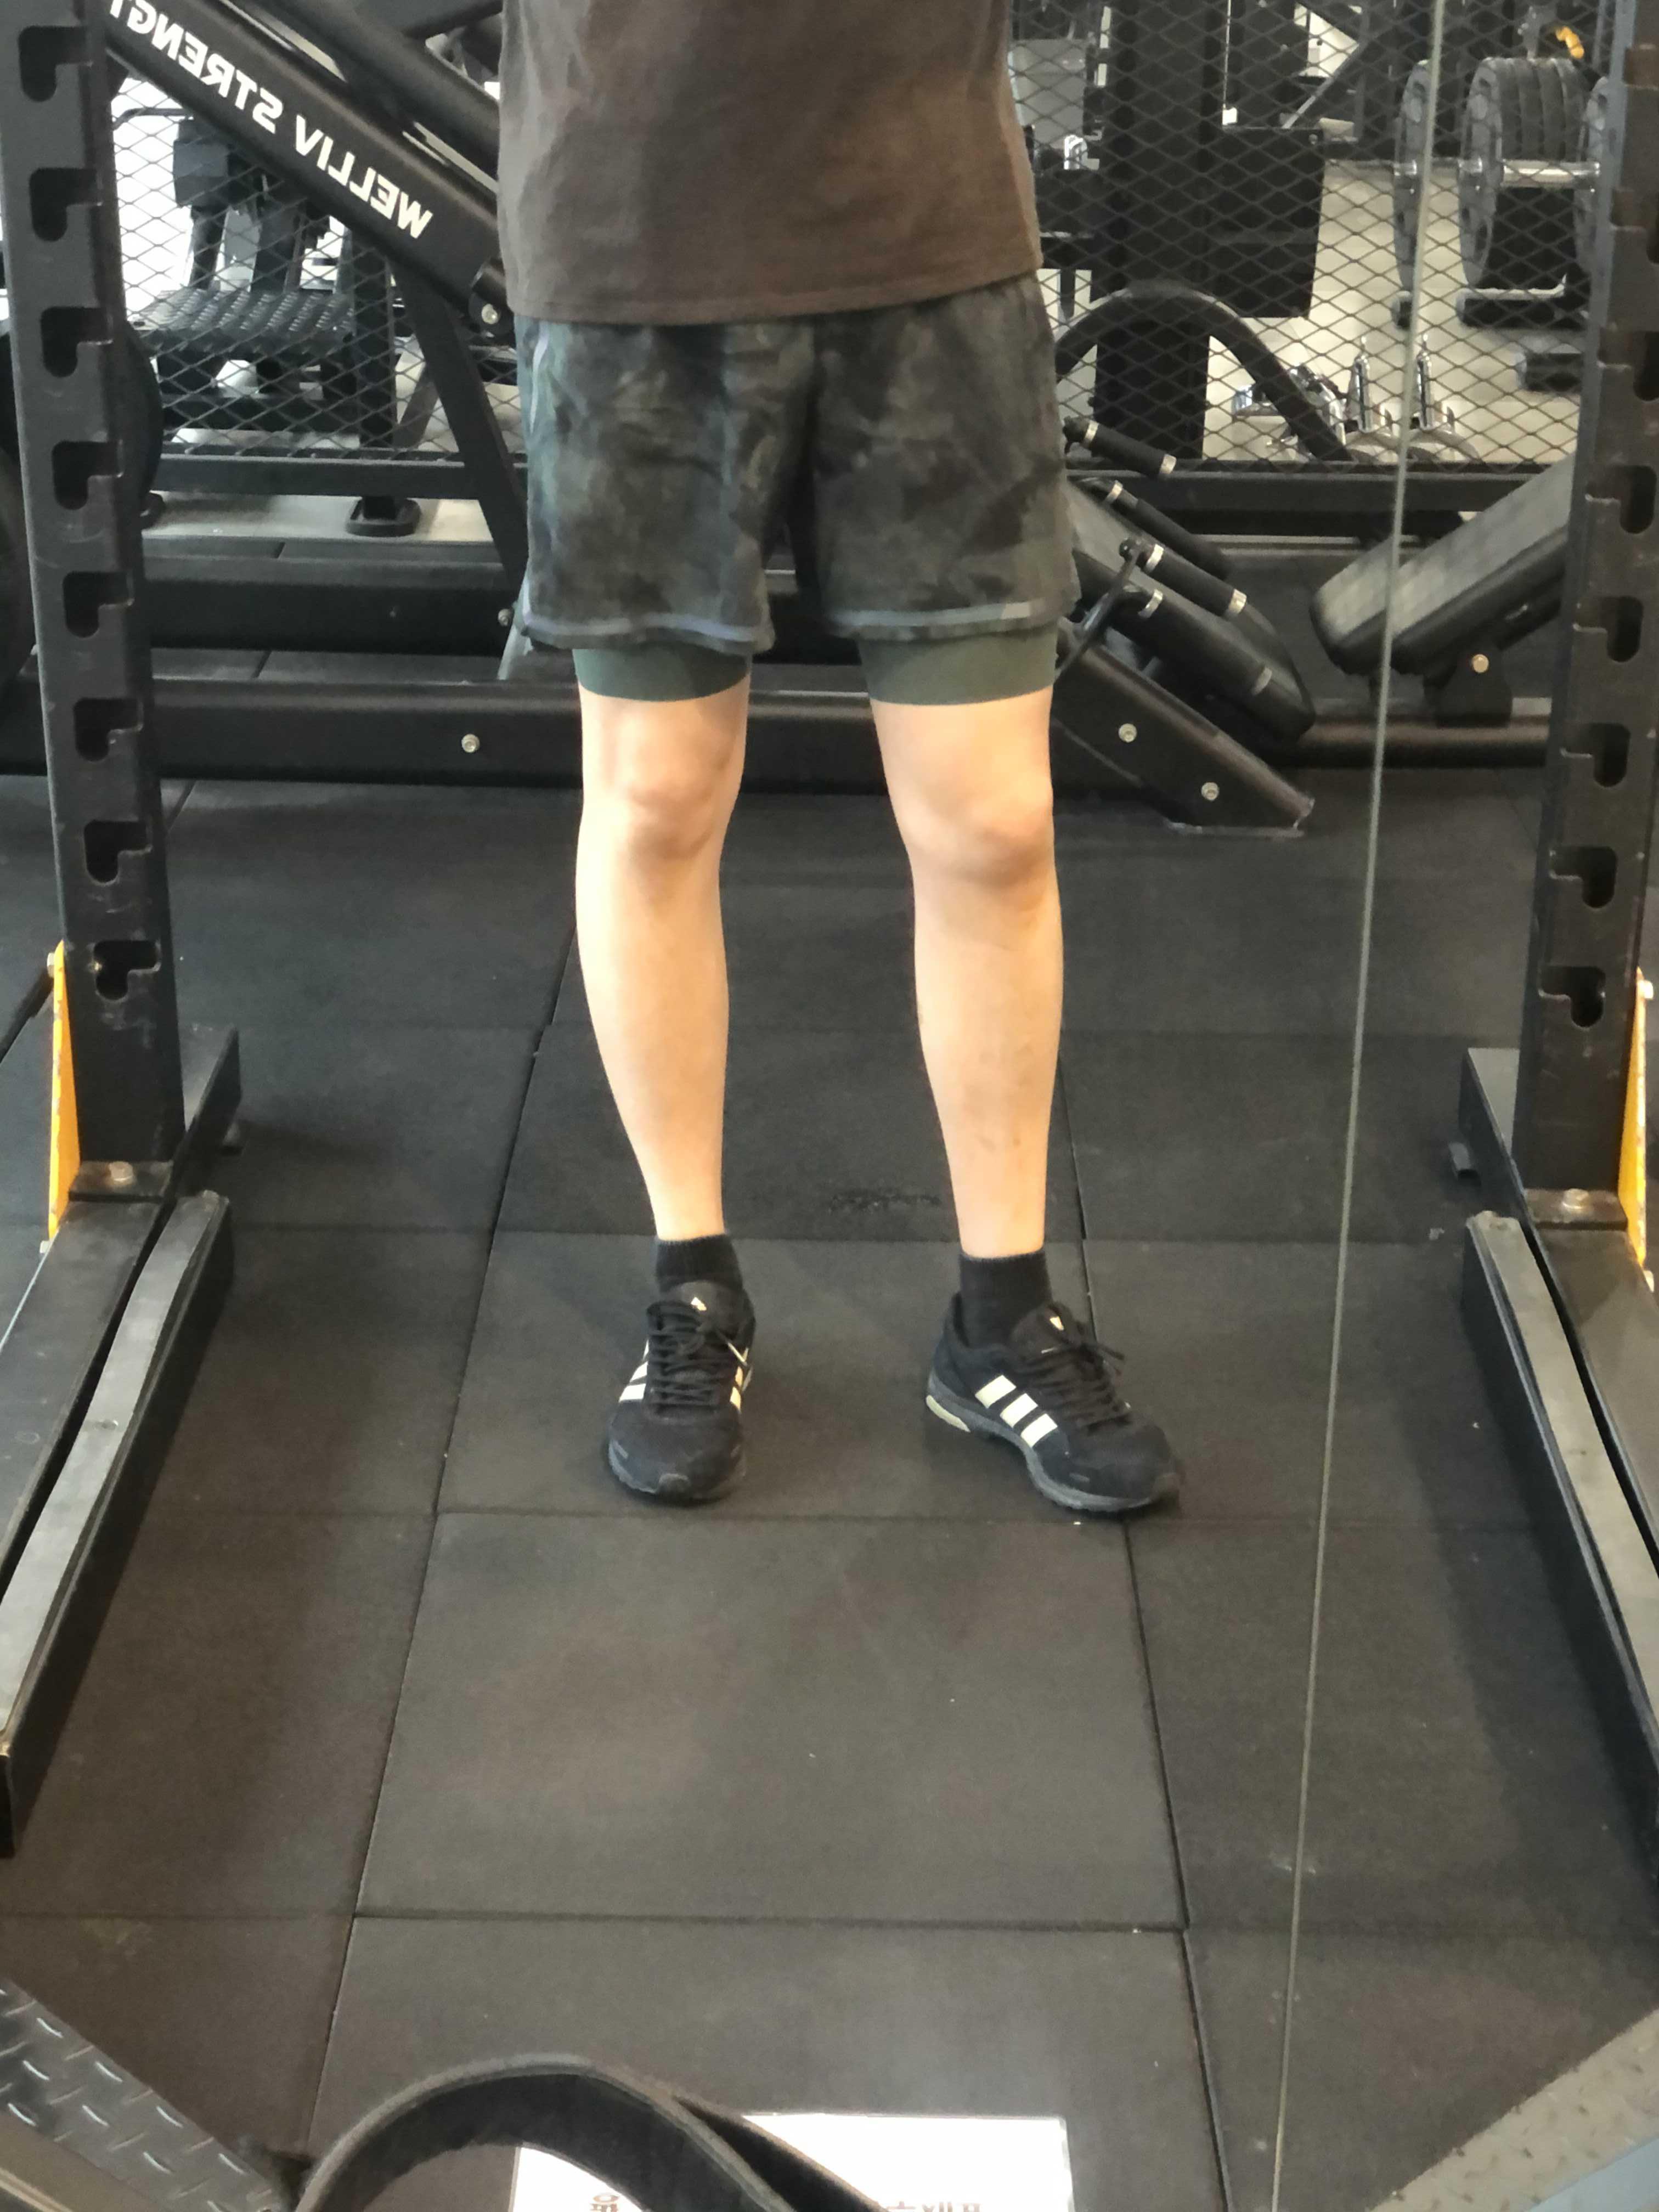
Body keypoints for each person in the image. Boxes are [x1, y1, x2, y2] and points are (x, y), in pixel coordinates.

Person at [496, 0, 1179, 1515]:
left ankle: (1000, 1317)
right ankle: (692, 1286)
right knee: (657, 798)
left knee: (994, 821)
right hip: (630, 231)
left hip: (927, 228)